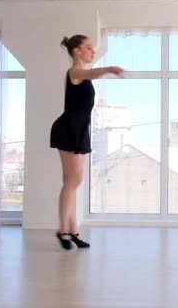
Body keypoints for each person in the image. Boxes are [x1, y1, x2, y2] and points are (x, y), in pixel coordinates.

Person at [50, 35, 123, 250]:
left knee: (73, 183)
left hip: (77, 129)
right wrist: (109, 68)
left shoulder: (81, 75)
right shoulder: (75, 72)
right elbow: (90, 72)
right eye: (88, 48)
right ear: (77, 52)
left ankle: (72, 231)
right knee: (72, 183)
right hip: (69, 128)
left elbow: (89, 75)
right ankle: (64, 231)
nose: (92, 51)